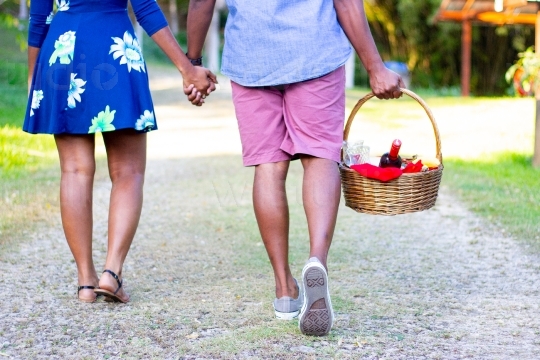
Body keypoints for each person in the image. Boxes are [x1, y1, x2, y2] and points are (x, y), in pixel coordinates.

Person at [185, 0, 404, 335]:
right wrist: (375, 67)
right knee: (320, 157)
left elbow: (202, 1)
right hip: (314, 49)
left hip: (252, 56)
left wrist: (194, 62)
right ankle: (317, 260)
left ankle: (284, 289)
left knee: (269, 168)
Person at [25, 0, 216, 303]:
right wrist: (187, 68)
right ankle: (111, 273)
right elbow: (145, 9)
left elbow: (38, 18)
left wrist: (34, 79)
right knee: (128, 171)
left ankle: (85, 282)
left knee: (74, 170)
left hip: (61, 50)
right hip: (113, 48)